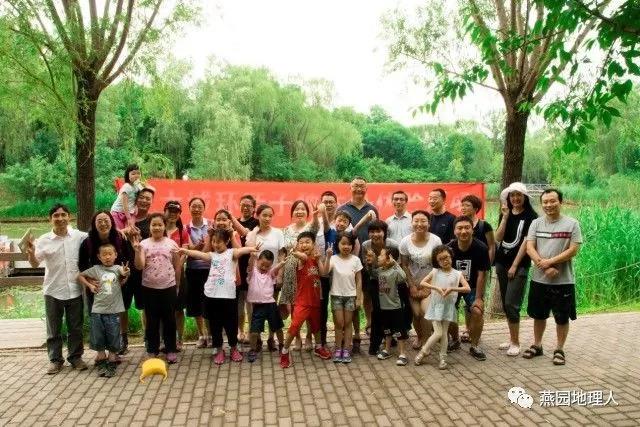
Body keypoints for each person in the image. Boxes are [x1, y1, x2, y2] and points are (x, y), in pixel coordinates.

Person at [177, 229, 258, 365]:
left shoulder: (231, 253)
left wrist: (252, 248)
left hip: (228, 296)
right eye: (213, 241)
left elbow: (241, 250)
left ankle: (233, 348)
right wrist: (186, 251)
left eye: (219, 242)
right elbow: (200, 254)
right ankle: (219, 350)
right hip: (212, 295)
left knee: (231, 324)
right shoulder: (212, 255)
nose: (215, 244)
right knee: (215, 324)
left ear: (226, 241)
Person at [26, 203, 88, 374]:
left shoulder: (79, 236)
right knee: (54, 329)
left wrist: (120, 230)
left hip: (75, 289)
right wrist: (30, 253)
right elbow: (34, 263)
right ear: (50, 219)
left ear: (69, 217)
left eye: (63, 215)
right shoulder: (44, 240)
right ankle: (55, 360)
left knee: (75, 328)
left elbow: (99, 235)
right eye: (56, 215)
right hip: (53, 290)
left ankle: (75, 357)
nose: (60, 218)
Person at [523, 189, 582, 366]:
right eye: (545, 202)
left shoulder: (572, 224)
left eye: (552, 201)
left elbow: (573, 250)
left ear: (560, 202)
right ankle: (537, 345)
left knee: (562, 317)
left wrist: (550, 262)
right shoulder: (536, 223)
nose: (548, 205)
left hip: (563, 280)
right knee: (538, 315)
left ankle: (559, 349)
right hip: (539, 279)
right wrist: (545, 265)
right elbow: (530, 248)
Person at [78, 210, 134, 355]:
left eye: (106, 220)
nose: (103, 224)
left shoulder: (120, 238)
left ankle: (122, 341)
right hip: (97, 285)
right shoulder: (88, 242)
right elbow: (82, 265)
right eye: (99, 221)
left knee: (121, 310)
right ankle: (101, 349)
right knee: (98, 315)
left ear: (112, 222)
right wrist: (90, 282)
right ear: (94, 224)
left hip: (119, 282)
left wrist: (125, 277)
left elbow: (129, 259)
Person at [494, 182, 538, 356]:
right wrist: (505, 218)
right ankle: (512, 337)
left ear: (525, 197)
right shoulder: (505, 214)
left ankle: (515, 342)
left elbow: (527, 242)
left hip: (519, 265)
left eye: (519, 195)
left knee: (511, 304)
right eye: (512, 195)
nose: (515, 198)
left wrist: (514, 265)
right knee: (506, 304)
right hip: (501, 262)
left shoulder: (531, 216)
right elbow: (498, 237)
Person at [279, 231, 333, 368]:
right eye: (301, 242)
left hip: (315, 300)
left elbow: (324, 273)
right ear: (297, 245)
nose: (304, 245)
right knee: (294, 326)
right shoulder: (302, 259)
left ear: (314, 244)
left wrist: (326, 257)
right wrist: (294, 251)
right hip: (302, 302)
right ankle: (284, 352)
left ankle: (318, 347)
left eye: (307, 242)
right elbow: (302, 255)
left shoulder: (316, 259)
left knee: (316, 327)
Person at [133, 213, 181, 363]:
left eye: (160, 224)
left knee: (169, 320)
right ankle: (152, 349)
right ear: (149, 226)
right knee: (152, 320)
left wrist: (177, 284)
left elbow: (177, 266)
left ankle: (170, 349)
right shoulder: (143, 244)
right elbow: (139, 266)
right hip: (149, 288)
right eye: (154, 224)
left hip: (168, 287)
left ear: (164, 226)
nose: (157, 227)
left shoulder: (171, 244)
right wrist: (137, 251)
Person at [77, 244, 130, 377]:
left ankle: (112, 361)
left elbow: (124, 273)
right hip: (98, 310)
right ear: (99, 257)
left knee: (113, 335)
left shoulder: (117, 268)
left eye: (110, 254)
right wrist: (90, 285)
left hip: (113, 310)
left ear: (115, 255)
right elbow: (80, 276)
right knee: (98, 336)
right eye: (104, 254)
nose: (107, 257)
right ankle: (101, 359)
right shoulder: (96, 269)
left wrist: (126, 271)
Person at [415, 245, 470, 369]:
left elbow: (467, 288)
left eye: (447, 257)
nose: (445, 261)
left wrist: (452, 289)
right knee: (438, 332)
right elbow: (423, 282)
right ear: (437, 261)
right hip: (436, 306)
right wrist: (436, 288)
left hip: (448, 307)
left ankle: (443, 358)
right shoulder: (435, 272)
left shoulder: (457, 274)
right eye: (441, 259)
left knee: (444, 333)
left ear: (451, 257)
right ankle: (423, 352)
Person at [447, 216, 490, 361]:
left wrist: (478, 298)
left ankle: (474, 345)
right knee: (448, 310)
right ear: (454, 231)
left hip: (472, 286)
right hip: (453, 287)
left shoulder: (481, 248)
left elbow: (482, 275)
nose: (463, 231)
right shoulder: (449, 248)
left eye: (467, 228)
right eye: (459, 228)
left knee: (477, 311)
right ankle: (455, 339)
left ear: (472, 230)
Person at [399, 211, 442, 349]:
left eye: (423, 221)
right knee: (416, 314)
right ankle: (419, 336)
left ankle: (426, 342)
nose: (419, 224)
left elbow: (439, 265)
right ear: (411, 223)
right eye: (416, 220)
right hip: (413, 284)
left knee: (425, 312)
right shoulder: (405, 242)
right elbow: (404, 265)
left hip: (430, 284)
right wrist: (411, 285)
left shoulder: (436, 240)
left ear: (429, 224)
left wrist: (429, 286)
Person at [359, 220, 403, 355]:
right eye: (372, 232)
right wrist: (371, 264)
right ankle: (375, 343)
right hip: (375, 280)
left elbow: (397, 266)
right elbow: (369, 271)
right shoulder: (366, 245)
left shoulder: (392, 245)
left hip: (392, 281)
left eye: (378, 231)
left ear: (384, 232)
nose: (375, 234)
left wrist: (378, 265)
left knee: (393, 310)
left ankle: (391, 336)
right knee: (377, 311)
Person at [245, 204, 285, 352]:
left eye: (270, 216)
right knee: (257, 309)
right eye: (264, 215)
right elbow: (250, 250)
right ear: (257, 216)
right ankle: (257, 340)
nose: (267, 218)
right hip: (256, 277)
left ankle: (271, 338)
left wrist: (279, 275)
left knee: (272, 311)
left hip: (273, 276)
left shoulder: (278, 233)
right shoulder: (252, 234)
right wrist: (255, 231)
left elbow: (282, 254)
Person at [119, 187, 155, 353]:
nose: (144, 201)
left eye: (148, 198)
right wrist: (124, 231)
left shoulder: (152, 220)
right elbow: (113, 233)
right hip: (124, 269)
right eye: (142, 197)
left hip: (144, 269)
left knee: (145, 306)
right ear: (136, 198)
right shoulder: (124, 218)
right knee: (123, 306)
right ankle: (123, 339)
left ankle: (148, 337)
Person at [321, 232, 363, 364]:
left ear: (352, 246)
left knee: (348, 323)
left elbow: (359, 280)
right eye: (343, 243)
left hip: (351, 296)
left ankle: (346, 349)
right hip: (336, 295)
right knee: (339, 323)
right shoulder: (333, 258)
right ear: (337, 245)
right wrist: (328, 257)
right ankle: (338, 348)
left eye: (349, 244)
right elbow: (325, 272)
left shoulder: (356, 260)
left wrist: (358, 298)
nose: (346, 246)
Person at [366, 247, 408, 366]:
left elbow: (403, 277)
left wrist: (395, 263)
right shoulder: (380, 271)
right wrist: (370, 263)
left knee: (399, 331)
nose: (379, 257)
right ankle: (387, 350)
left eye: (381, 255)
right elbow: (371, 273)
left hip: (395, 307)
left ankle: (402, 354)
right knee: (387, 330)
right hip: (384, 307)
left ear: (389, 258)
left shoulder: (395, 271)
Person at [246, 250, 286, 362]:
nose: (264, 267)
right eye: (262, 264)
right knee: (254, 331)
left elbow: (276, 268)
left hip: (271, 305)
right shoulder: (252, 272)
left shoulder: (270, 273)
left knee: (278, 327)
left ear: (271, 265)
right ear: (257, 261)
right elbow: (250, 264)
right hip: (258, 307)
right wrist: (252, 257)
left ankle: (282, 346)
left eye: (267, 266)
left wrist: (282, 263)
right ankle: (252, 349)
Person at [164, 200, 191, 352]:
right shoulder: (158, 228)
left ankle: (179, 339)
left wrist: (176, 268)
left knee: (179, 310)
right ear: (165, 211)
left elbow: (184, 253)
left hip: (178, 275)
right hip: (160, 276)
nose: (173, 214)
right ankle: (164, 339)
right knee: (162, 310)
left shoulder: (182, 231)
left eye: (176, 212)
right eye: (170, 211)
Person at [185, 197, 212, 348]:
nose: (196, 209)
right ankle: (202, 335)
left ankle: (211, 334)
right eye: (193, 206)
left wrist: (196, 249)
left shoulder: (211, 225)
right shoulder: (185, 228)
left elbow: (213, 247)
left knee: (209, 303)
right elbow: (188, 250)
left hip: (210, 270)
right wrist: (197, 248)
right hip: (192, 270)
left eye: (199, 206)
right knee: (196, 304)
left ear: (204, 208)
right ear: (189, 208)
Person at [234, 195, 259, 347]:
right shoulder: (234, 221)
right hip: (236, 266)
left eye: (249, 205)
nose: (245, 207)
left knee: (250, 302)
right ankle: (240, 331)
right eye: (243, 204)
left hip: (250, 266)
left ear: (254, 208)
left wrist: (231, 218)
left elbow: (244, 233)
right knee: (238, 303)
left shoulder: (256, 223)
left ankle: (251, 331)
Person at [460, 194, 496, 264]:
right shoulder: (458, 224)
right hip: (464, 262)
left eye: (467, 205)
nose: (463, 208)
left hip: (480, 262)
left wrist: (488, 264)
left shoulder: (484, 225)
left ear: (476, 209)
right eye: (462, 205)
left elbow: (491, 246)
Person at [110, 164, 145, 230]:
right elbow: (125, 205)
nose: (136, 175)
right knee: (120, 231)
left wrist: (142, 185)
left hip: (129, 213)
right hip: (118, 213)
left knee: (130, 230)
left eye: (138, 173)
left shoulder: (136, 186)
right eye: (133, 174)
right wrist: (128, 218)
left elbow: (142, 193)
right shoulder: (126, 187)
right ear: (128, 175)